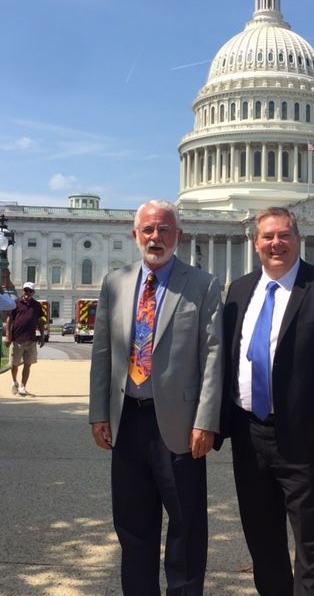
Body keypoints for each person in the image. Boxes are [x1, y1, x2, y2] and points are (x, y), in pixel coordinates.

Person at [223, 207, 314, 596]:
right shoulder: (238, 290)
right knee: (263, 542)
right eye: (268, 237)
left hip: (307, 437)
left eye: (284, 235)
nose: (276, 243)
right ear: (255, 243)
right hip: (250, 435)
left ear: (298, 239)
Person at [89, 199, 223, 596]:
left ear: (178, 236)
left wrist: (206, 420)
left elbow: (213, 356)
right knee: (132, 527)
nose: (155, 237)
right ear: (135, 235)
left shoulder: (202, 284)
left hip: (181, 424)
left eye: (164, 229)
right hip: (127, 418)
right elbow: (102, 353)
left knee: (186, 526)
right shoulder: (115, 282)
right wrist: (99, 413)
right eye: (148, 229)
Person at [5, 281, 45, 396]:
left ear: (33, 292)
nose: (27, 292)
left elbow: (39, 322)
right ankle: (14, 382)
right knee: (14, 364)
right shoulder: (15, 303)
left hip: (31, 340)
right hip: (17, 339)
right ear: (23, 291)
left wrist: (42, 336)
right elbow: (9, 320)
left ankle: (23, 387)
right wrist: (8, 336)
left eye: (30, 291)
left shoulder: (37, 306)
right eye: (26, 290)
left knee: (28, 364)